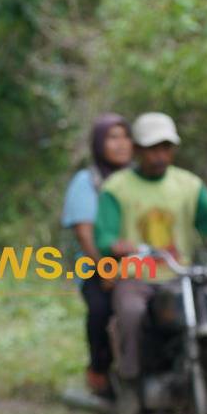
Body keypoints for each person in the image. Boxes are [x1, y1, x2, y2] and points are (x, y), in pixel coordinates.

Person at [94, 111, 207, 414]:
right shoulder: (118, 187)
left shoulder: (187, 185)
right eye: (152, 149)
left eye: (166, 148)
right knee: (130, 312)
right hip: (137, 276)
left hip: (179, 275)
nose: (160, 155)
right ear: (138, 150)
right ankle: (129, 380)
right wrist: (116, 246)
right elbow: (105, 235)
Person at [60, 113, 134, 398]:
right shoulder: (86, 181)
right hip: (96, 266)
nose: (121, 144)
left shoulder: (139, 179)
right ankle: (99, 368)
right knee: (102, 309)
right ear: (99, 143)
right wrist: (105, 267)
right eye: (112, 137)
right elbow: (84, 231)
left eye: (125, 136)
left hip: (140, 265)